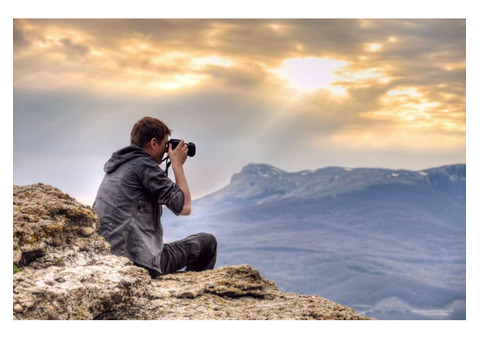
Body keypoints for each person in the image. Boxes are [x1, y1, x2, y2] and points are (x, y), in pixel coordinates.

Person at [93, 116, 217, 278]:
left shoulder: (118, 166)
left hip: (110, 256)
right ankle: (194, 289)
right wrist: (177, 165)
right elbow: (185, 207)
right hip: (136, 260)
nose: (167, 150)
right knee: (207, 242)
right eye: (166, 144)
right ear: (153, 143)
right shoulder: (143, 165)